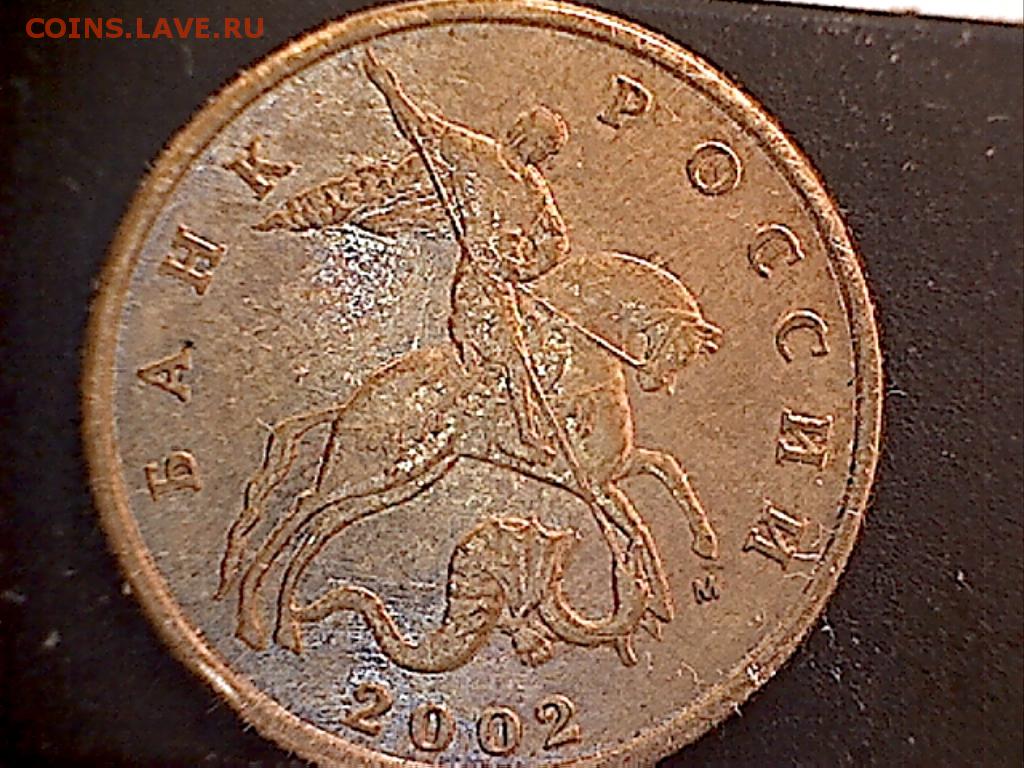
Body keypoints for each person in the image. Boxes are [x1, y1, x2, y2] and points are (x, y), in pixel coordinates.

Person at [363, 49, 572, 459]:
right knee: (511, 351)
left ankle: (505, 422)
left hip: (502, 281)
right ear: (524, 133)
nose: (545, 155)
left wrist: (523, 265)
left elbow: (556, 240)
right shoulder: (476, 154)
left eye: (550, 150)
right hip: (476, 281)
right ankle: (521, 433)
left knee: (535, 345)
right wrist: (389, 88)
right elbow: (422, 129)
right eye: (545, 144)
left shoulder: (533, 188)